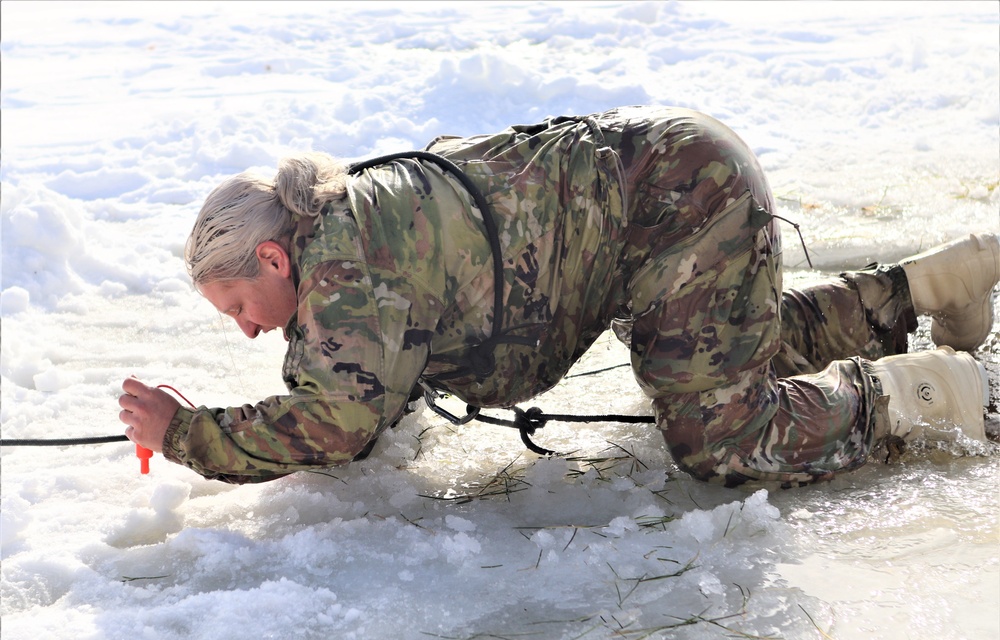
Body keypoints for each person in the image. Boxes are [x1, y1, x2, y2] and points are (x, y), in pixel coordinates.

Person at [118, 105, 999, 486]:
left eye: (237, 305)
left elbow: (335, 422)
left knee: (720, 435)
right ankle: (929, 286)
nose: (242, 332)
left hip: (678, 200)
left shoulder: (345, 267)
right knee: (721, 345)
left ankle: (926, 393)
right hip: (673, 175)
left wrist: (186, 432)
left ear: (275, 257)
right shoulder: (346, 219)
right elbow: (359, 380)